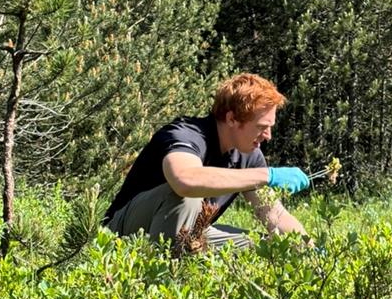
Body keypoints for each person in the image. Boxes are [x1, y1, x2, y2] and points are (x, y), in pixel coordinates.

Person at [103, 72, 311, 249]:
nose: (268, 136)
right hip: (121, 236)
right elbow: (185, 181)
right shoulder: (186, 135)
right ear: (231, 119)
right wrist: (268, 175)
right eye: (261, 127)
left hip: (188, 232)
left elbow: (276, 216)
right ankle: (160, 282)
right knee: (186, 197)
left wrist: (307, 248)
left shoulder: (248, 154)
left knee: (270, 248)